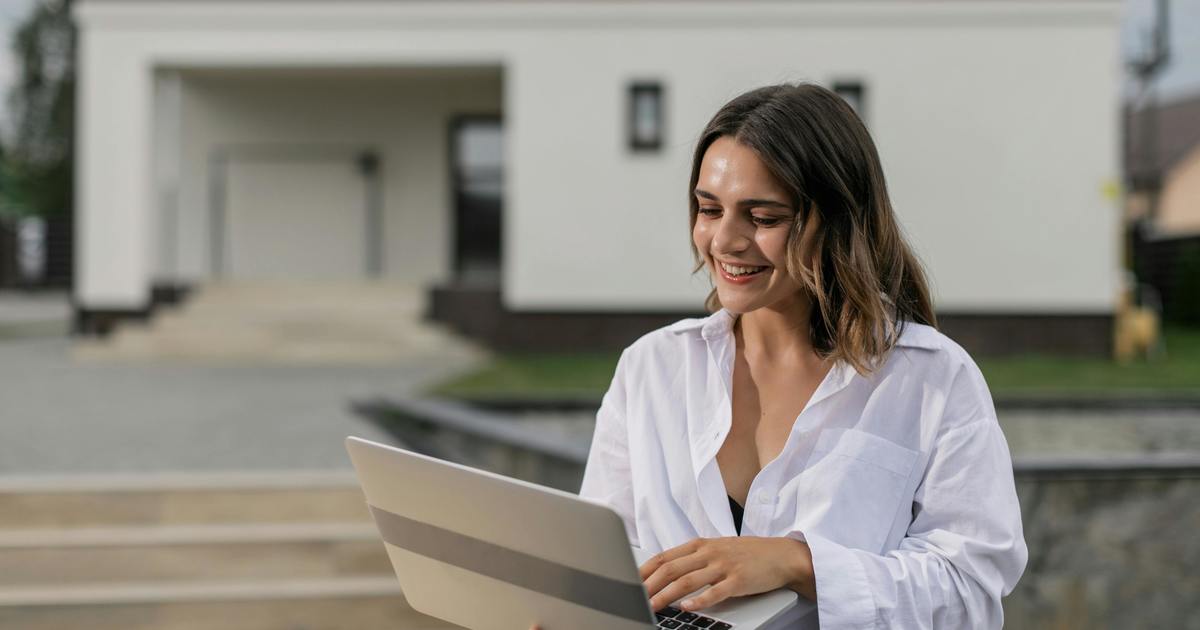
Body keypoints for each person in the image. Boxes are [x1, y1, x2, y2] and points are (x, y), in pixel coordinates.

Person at [542, 83, 1028, 629]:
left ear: (837, 221)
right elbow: (608, 563)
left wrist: (799, 563)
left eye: (763, 217)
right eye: (708, 209)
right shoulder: (650, 369)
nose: (724, 239)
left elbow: (971, 594)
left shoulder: (932, 379)